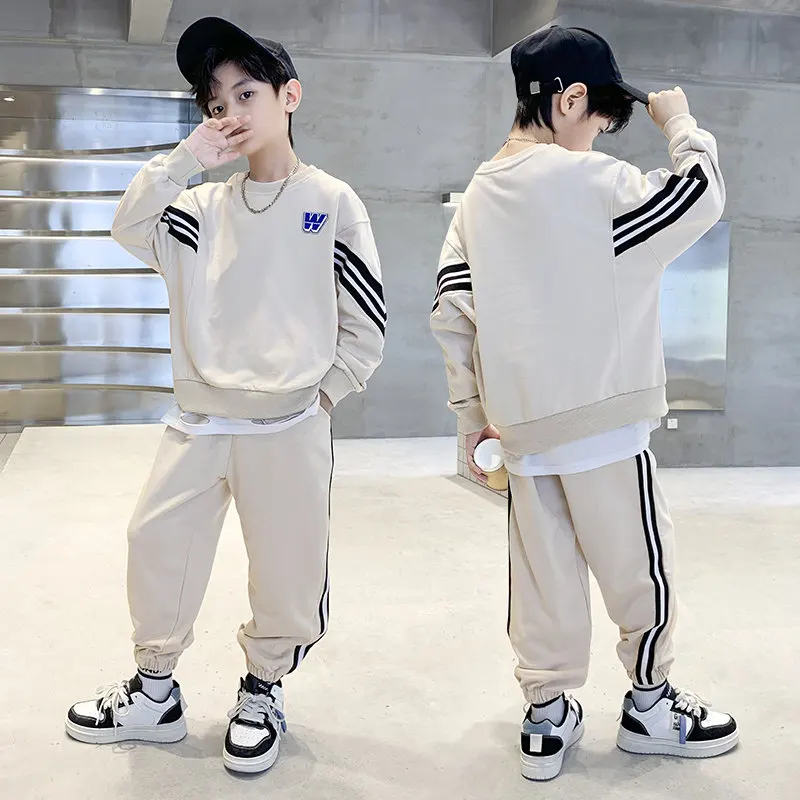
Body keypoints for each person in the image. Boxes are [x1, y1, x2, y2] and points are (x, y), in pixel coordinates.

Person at [65, 17, 385, 775]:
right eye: (215, 103)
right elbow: (127, 227)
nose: (230, 113)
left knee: (287, 566)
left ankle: (262, 691)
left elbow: (365, 320)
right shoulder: (199, 208)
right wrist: (184, 160)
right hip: (199, 419)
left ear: (289, 96)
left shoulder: (331, 201)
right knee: (156, 543)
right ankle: (155, 692)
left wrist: (323, 399)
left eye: (246, 93)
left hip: (289, 422)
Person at [430, 25, 737, 781]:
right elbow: (700, 197)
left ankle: (546, 716)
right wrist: (680, 125)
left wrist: (472, 419)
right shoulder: (599, 184)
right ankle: (652, 707)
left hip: (523, 437)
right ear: (570, 101)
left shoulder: (476, 200)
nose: (598, 134)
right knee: (638, 570)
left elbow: (451, 310)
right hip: (606, 427)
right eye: (600, 118)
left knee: (543, 578)